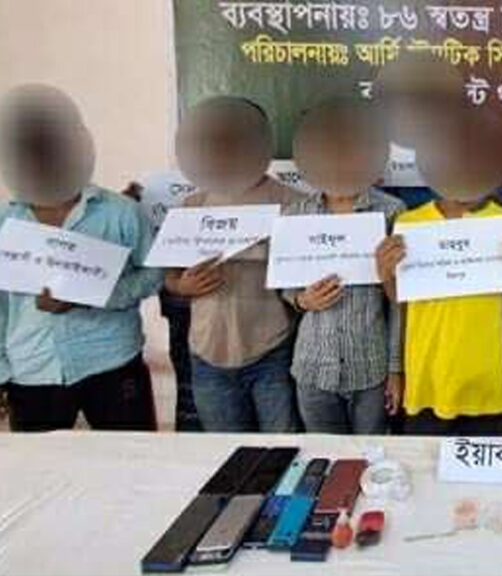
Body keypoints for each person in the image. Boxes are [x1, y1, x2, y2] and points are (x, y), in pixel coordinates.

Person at [375, 58, 502, 435]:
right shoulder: (410, 224)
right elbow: (403, 303)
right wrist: (386, 276)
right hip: (427, 381)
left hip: (486, 384)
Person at [0, 85, 162, 432]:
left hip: (111, 361)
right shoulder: (5, 222)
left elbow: (154, 273)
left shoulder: (120, 212)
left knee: (134, 457)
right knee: (40, 465)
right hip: (32, 368)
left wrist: (95, 295)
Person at [164, 97, 303, 433]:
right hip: (207, 353)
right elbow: (169, 275)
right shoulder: (191, 206)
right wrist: (180, 286)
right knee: (227, 453)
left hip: (272, 351)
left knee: (284, 448)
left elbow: (307, 272)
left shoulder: (292, 203)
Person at [284, 98, 405, 435]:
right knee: (324, 457)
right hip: (313, 368)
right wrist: (302, 300)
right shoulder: (296, 215)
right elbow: (286, 287)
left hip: (371, 368)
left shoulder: (392, 212)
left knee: (371, 455)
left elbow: (400, 303)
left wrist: (396, 370)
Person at [122, 180, 202, 432]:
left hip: (263, 308)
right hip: (183, 302)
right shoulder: (160, 188)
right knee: (191, 395)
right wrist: (130, 210)